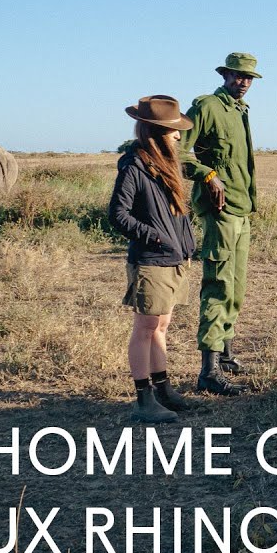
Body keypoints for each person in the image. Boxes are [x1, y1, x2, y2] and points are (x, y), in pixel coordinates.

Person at [109, 95, 198, 422]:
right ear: (157, 131)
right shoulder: (134, 165)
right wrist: (156, 238)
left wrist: (185, 245)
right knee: (146, 326)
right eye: (173, 130)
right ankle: (143, 399)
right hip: (151, 259)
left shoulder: (165, 164)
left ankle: (163, 390)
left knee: (161, 325)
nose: (178, 135)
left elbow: (176, 214)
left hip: (173, 258)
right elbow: (118, 214)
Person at [179, 52, 262, 395]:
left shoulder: (240, 110)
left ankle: (225, 351)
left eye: (248, 78)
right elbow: (181, 154)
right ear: (225, 75)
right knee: (219, 283)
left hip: (242, 208)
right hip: (221, 210)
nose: (243, 82)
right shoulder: (207, 106)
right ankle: (208, 371)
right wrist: (208, 175)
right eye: (238, 76)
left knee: (237, 285)